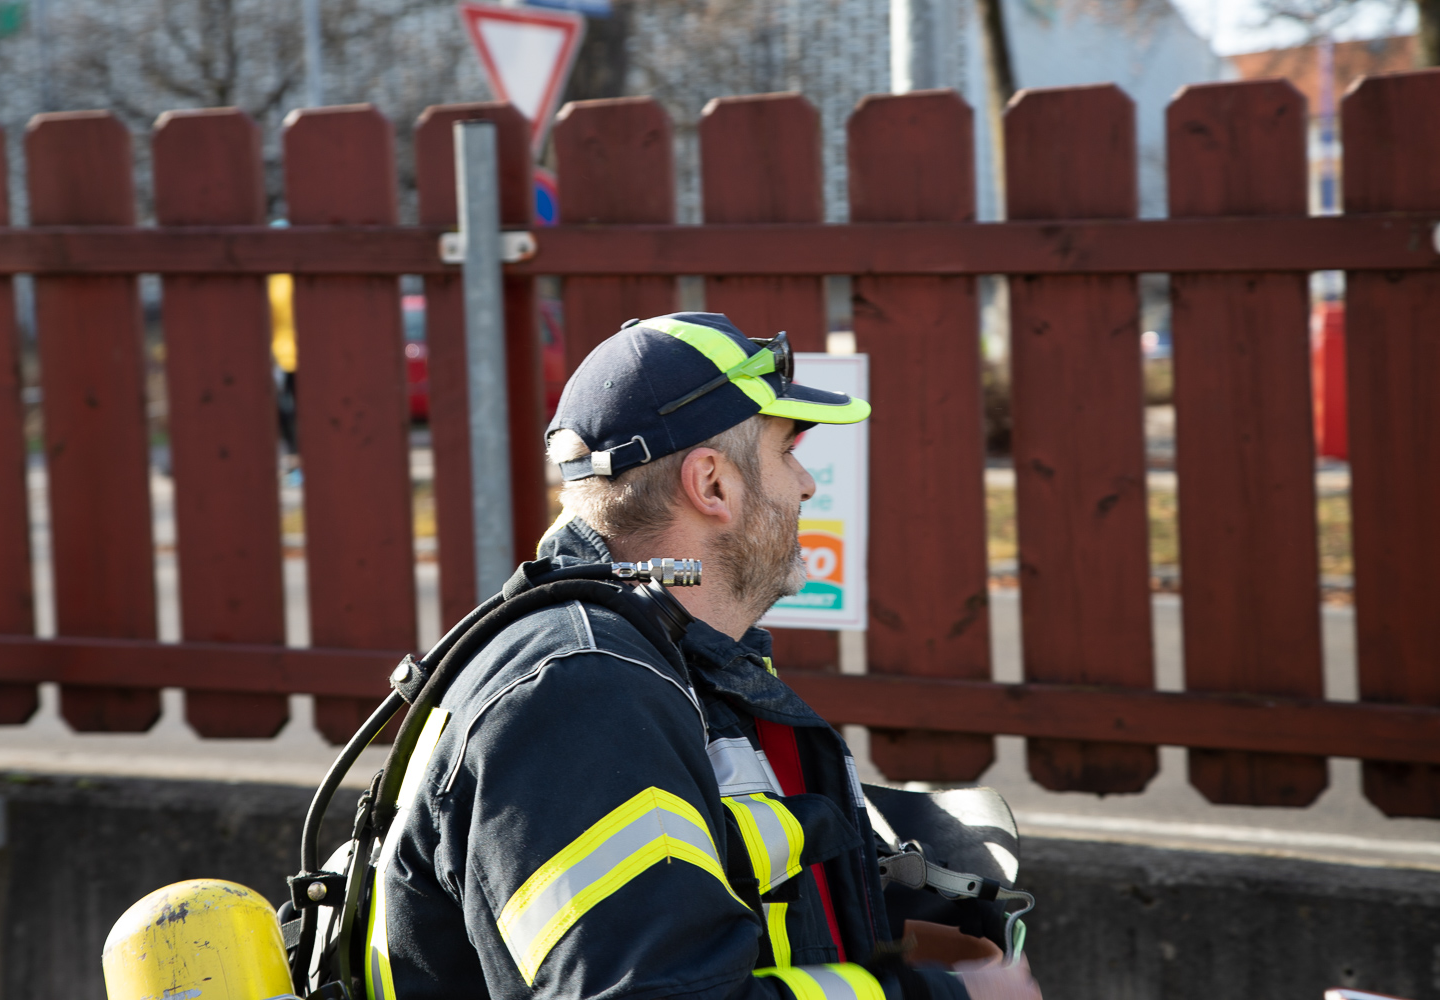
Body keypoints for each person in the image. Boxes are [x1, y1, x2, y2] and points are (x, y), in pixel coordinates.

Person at [365, 313, 1042, 1000]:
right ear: (711, 483)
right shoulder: (585, 693)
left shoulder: (656, 662)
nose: (806, 486)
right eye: (786, 453)